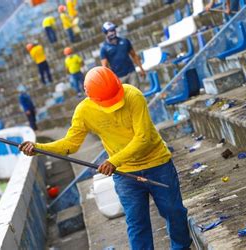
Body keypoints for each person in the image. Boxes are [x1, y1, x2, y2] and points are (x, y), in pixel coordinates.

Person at [18, 67, 192, 249]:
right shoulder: (84, 111)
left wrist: (113, 161)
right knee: (137, 223)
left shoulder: (133, 96)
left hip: (158, 165)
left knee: (174, 212)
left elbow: (144, 138)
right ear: (89, 95)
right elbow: (71, 144)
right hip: (125, 175)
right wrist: (38, 148)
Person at [100, 22, 146, 90]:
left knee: (136, 93)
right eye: (111, 30)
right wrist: (110, 80)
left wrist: (141, 69)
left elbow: (134, 55)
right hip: (118, 77)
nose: (113, 32)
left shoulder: (125, 41)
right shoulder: (104, 48)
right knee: (125, 97)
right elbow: (105, 66)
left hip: (131, 72)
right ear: (105, 33)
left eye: (114, 29)